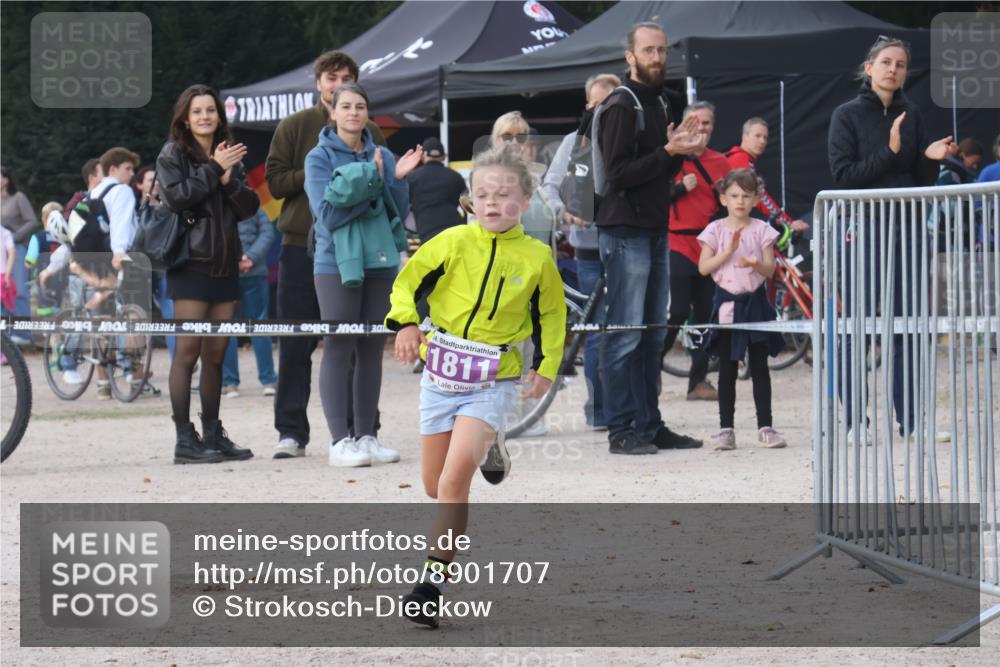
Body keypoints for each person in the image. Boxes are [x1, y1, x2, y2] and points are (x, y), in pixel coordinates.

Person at [386, 145, 566, 628]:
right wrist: (406, 323)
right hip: (439, 378)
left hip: (493, 384)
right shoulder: (451, 241)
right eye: (482, 194)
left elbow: (552, 315)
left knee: (452, 483)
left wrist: (546, 367)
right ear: (470, 199)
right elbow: (406, 283)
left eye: (503, 195)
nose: (491, 203)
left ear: (524, 201)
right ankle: (492, 449)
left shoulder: (537, 258)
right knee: (435, 487)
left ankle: (430, 586)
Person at [828, 35, 952, 443]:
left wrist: (930, 160)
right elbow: (843, 177)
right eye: (886, 62)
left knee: (908, 325)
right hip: (865, 227)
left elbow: (918, 180)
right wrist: (890, 150)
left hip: (909, 229)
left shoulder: (912, 114)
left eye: (900, 64)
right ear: (869, 68)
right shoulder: (845, 115)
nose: (893, 69)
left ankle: (911, 419)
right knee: (857, 325)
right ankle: (855, 421)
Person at [266, 50, 388, 460]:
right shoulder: (296, 126)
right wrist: (330, 172)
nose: (339, 85)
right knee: (297, 341)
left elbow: (383, 183)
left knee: (360, 341)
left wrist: (359, 177)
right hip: (301, 242)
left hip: (360, 248)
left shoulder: (370, 130)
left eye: (346, 78)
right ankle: (291, 432)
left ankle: (361, 430)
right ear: (318, 83)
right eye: (332, 78)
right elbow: (275, 182)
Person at [594, 22, 705, 455]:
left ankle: (649, 424)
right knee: (626, 334)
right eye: (648, 50)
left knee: (653, 335)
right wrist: (668, 152)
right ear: (630, 56)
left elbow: (659, 170)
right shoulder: (622, 104)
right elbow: (618, 175)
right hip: (625, 231)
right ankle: (620, 429)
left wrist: (678, 152)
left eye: (662, 50)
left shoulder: (659, 100)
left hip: (655, 228)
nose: (657, 57)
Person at [304, 81, 421, 468]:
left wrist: (396, 179)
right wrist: (373, 183)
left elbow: (395, 210)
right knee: (339, 346)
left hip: (381, 260)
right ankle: (340, 440)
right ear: (332, 112)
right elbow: (328, 216)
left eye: (360, 106)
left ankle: (367, 436)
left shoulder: (382, 154)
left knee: (372, 348)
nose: (353, 113)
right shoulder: (318, 157)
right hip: (334, 263)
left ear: (368, 113)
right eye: (346, 106)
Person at [158, 83, 260, 464]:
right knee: (188, 353)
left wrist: (228, 179)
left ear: (219, 116)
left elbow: (249, 207)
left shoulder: (230, 153)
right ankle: (185, 440)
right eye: (197, 111)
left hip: (225, 265)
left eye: (210, 110)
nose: (205, 117)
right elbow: (176, 197)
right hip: (190, 265)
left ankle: (213, 434)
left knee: (216, 354)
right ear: (185, 118)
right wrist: (214, 169)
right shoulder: (172, 153)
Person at [542, 72, 621, 429]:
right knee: (596, 332)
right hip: (589, 248)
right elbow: (549, 186)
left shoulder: (629, 138)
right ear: (587, 105)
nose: (602, 110)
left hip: (626, 244)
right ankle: (599, 410)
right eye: (597, 103)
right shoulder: (574, 141)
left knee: (628, 329)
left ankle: (628, 408)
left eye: (610, 103)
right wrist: (565, 212)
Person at [697, 170, 787, 450]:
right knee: (727, 369)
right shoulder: (714, 230)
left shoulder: (762, 230)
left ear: (756, 199)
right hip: (727, 306)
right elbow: (704, 268)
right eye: (734, 196)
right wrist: (728, 252)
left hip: (756, 305)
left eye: (746, 196)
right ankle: (726, 429)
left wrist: (754, 263)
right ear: (723, 198)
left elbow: (769, 269)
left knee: (760, 367)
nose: (740, 201)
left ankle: (765, 427)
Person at [663, 100, 731, 402]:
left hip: (707, 246)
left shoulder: (721, 162)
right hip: (676, 242)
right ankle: (652, 367)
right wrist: (679, 189)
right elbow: (651, 197)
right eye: (695, 122)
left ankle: (698, 381)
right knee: (678, 311)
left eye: (706, 123)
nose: (701, 128)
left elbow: (731, 203)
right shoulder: (671, 158)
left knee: (704, 315)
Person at [221, 207, 277, 398]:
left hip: (225, 275)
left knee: (226, 327)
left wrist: (234, 261)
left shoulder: (217, 204)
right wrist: (250, 257)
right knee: (259, 324)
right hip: (254, 272)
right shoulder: (254, 205)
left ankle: (230, 383)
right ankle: (268, 380)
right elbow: (267, 233)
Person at [725, 118, 809, 235]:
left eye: (765, 137)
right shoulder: (741, 159)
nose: (762, 141)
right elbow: (760, 197)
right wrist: (788, 223)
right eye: (758, 136)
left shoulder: (738, 158)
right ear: (745, 136)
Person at [0, 167, 37, 345]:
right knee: (2, 291)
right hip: (1, 252)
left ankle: (23, 334)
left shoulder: (18, 198)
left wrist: (13, 237)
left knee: (20, 290)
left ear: (6, 179)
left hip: (18, 247)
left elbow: (32, 221)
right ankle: (5, 337)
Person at [406, 136, 466, 243]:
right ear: (444, 157)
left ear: (422, 157)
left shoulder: (412, 178)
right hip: (455, 229)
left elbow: (403, 207)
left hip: (427, 231)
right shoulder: (455, 176)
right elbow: (467, 205)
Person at [25, 202, 67, 318]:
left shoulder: (37, 238)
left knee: (44, 315)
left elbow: (29, 262)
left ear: (43, 219)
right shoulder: (65, 238)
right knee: (60, 315)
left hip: (43, 283)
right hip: (62, 281)